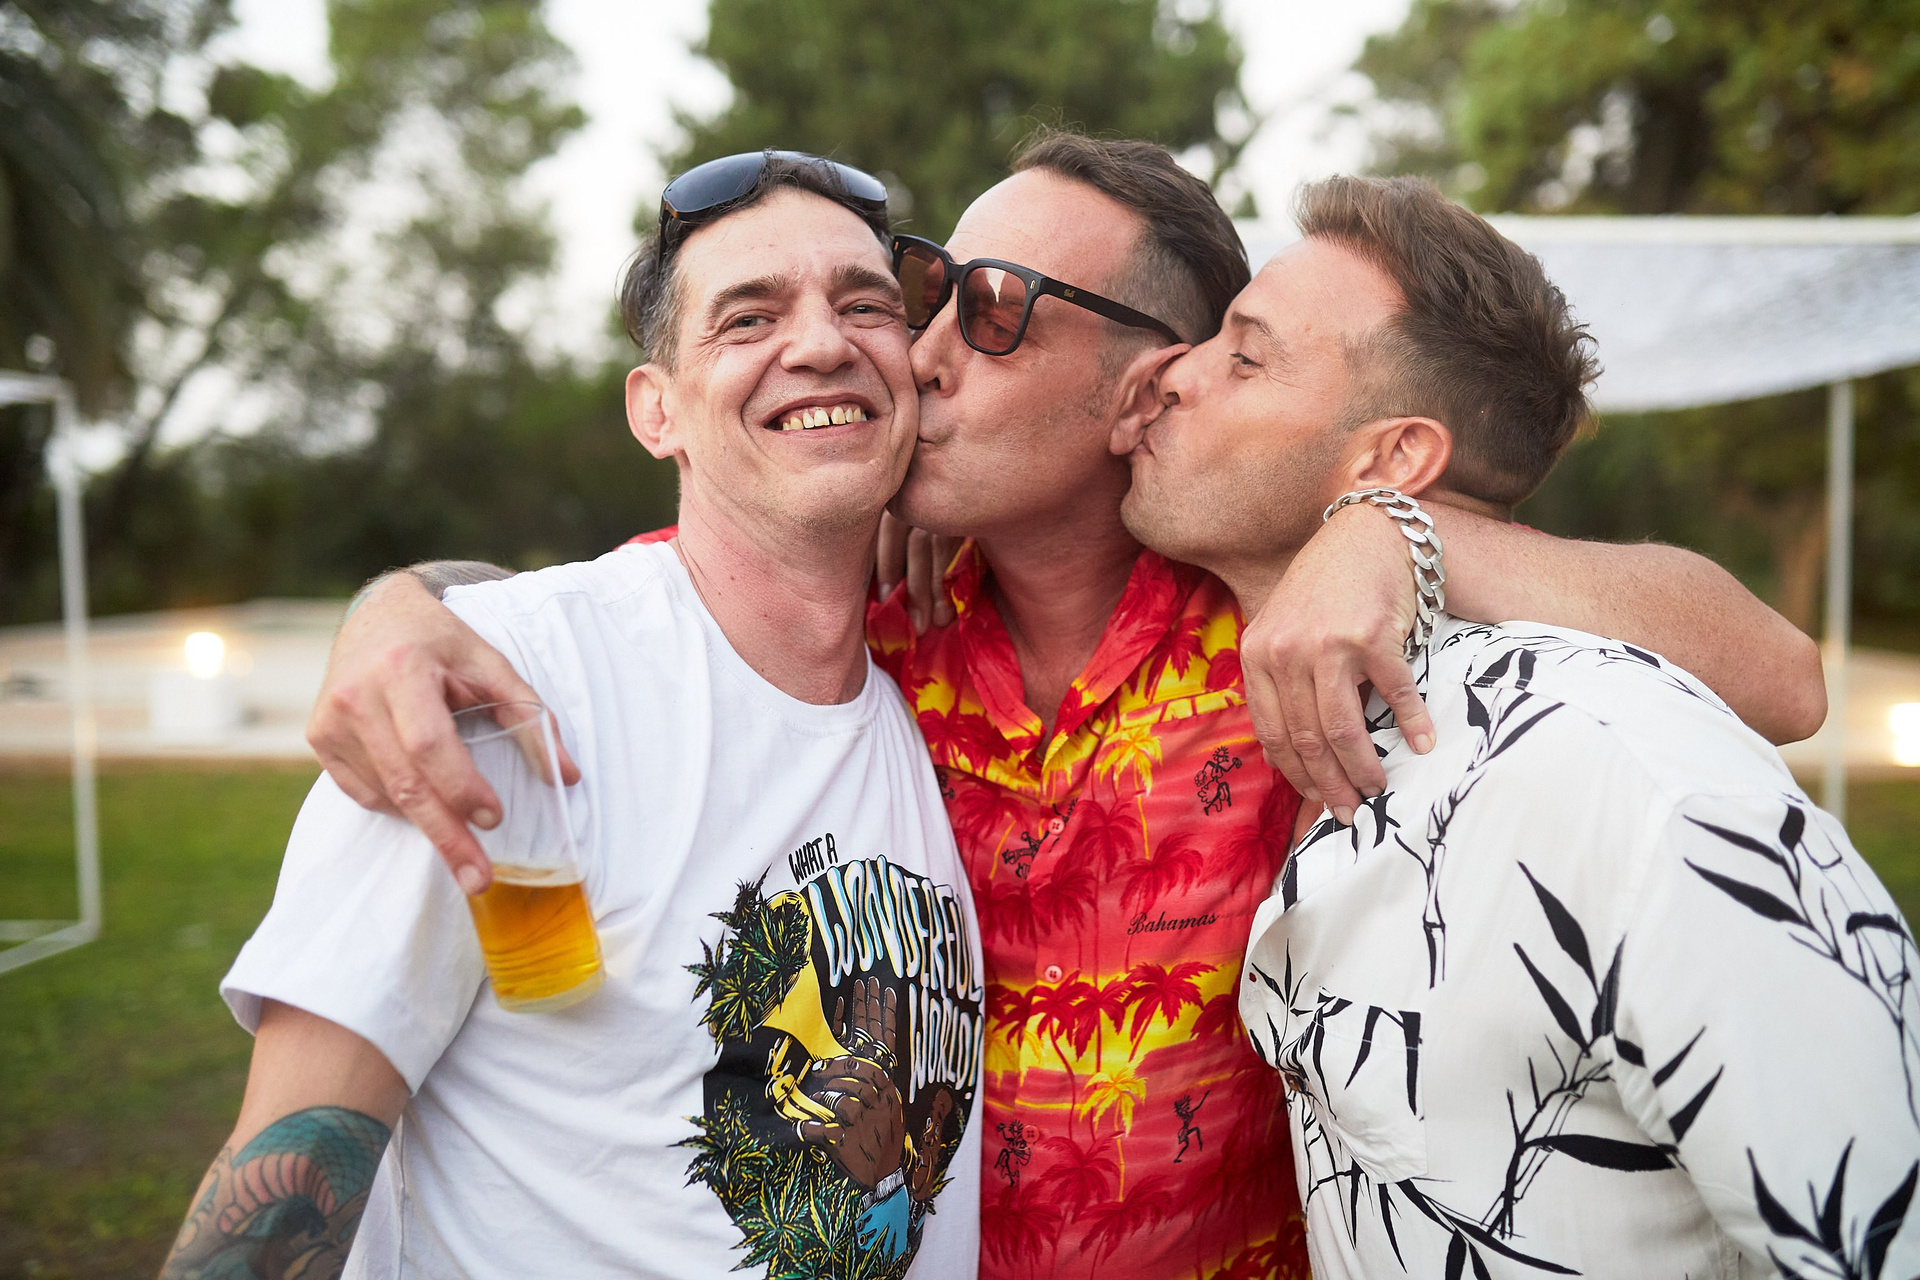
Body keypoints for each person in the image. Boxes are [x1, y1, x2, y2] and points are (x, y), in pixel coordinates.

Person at [307, 134, 1826, 1279]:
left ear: (1150, 383)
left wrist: (1394, 531)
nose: (919, 353)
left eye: (992, 311)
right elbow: (621, 609)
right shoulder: (861, 618)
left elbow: (1780, 674)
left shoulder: (1290, 620)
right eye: (931, 295)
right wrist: (403, 606)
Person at [159, 154, 984, 1279]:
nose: (822, 343)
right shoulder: (498, 690)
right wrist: (399, 602)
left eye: (865, 305)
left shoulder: (931, 698)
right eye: (748, 317)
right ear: (657, 411)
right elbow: (284, 1176)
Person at [1124, 173, 1920, 1276]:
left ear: (1394, 462)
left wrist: (1391, 530)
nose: (1174, 371)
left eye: (1245, 355)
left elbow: (1879, 1223)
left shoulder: (1613, 768)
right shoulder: (1283, 689)